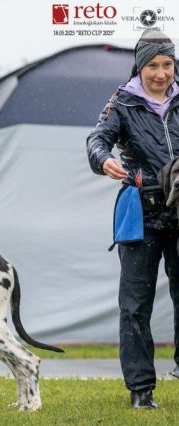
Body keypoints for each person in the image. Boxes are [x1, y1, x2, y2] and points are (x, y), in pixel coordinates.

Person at [87, 29, 179, 409]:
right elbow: (97, 139)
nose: (161, 73)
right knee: (135, 305)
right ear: (140, 67)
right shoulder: (123, 101)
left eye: (167, 64)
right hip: (141, 210)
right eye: (153, 66)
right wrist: (102, 159)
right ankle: (141, 390)